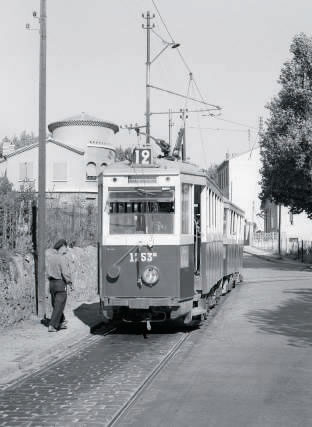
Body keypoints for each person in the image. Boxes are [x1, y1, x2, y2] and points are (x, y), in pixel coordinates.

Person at [46, 239, 73, 332]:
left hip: (52, 284)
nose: (66, 250)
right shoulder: (62, 258)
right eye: (66, 247)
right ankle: (52, 325)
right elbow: (65, 273)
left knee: (56, 304)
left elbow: (48, 272)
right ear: (62, 247)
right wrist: (69, 282)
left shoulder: (51, 258)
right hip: (60, 283)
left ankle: (61, 322)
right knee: (59, 305)